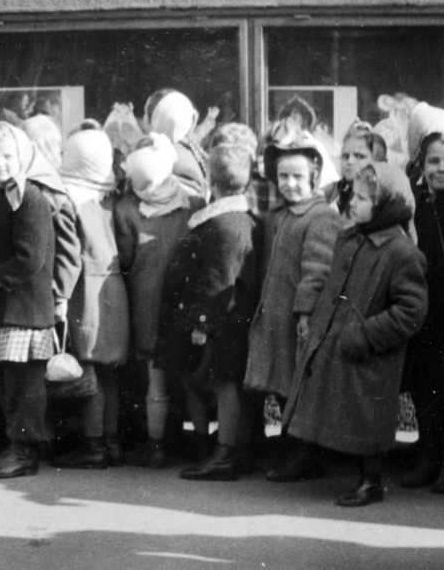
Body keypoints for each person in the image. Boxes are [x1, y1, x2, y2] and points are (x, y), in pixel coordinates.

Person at [276, 162, 427, 505]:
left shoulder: (402, 253)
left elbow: (412, 311)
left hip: (370, 348)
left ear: (386, 205)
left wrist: (366, 334)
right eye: (353, 196)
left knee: (367, 414)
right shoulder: (350, 237)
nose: (353, 203)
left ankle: (370, 480)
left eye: (363, 198)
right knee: (342, 408)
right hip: (338, 339)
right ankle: (327, 463)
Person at [154, 138, 260, 481]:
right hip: (231, 318)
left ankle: (225, 452)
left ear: (211, 182)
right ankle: (229, 448)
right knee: (226, 384)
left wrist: (200, 325)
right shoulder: (239, 219)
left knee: (224, 384)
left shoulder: (223, 224)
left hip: (220, 323)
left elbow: (216, 281)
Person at [0, 122, 62, 479]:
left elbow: (31, 258)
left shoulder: (29, 197)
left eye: (7, 156)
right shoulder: (0, 195)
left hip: (24, 310)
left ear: (23, 155)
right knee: (8, 383)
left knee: (23, 384)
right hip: (6, 307)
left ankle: (25, 451)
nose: (0, 163)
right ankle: (15, 446)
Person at [244, 134, 341, 439]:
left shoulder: (320, 217)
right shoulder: (277, 215)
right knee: (273, 381)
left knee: (295, 385)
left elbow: (318, 270)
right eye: (283, 176)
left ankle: (301, 453)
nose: (290, 183)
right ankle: (273, 446)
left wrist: (305, 314)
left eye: (298, 177)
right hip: (272, 315)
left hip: (296, 320)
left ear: (314, 177)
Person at [113, 131, 198, 468]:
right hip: (186, 300)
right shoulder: (193, 199)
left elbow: (124, 258)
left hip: (146, 301)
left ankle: (156, 445)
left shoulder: (125, 208)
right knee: (186, 374)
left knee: (154, 376)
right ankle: (196, 442)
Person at [53, 124, 131, 470]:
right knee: (109, 371)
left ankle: (94, 445)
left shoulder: (71, 200)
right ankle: (111, 442)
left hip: (85, 291)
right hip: (114, 290)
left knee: (89, 370)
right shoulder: (113, 199)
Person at [401, 123, 444, 493]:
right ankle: (427, 456)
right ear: (422, 163)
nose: (441, 168)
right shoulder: (415, 206)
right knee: (423, 385)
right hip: (422, 312)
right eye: (434, 161)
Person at [331, 121, 389, 218]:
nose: (349, 162)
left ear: (376, 160)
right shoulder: (339, 189)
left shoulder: (380, 200)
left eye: (359, 156)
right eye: (345, 156)